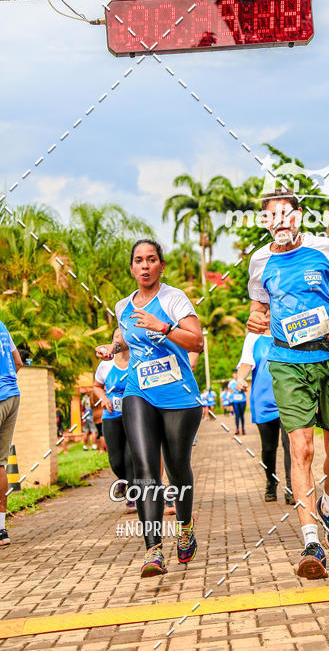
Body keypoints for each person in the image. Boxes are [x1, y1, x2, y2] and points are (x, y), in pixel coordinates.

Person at [247, 189, 329, 580]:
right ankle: (309, 541)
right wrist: (255, 319)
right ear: (266, 222)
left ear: (298, 217)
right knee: (300, 448)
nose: (281, 222)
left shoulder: (327, 250)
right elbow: (259, 306)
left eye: (288, 215)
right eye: (273, 217)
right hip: (287, 361)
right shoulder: (259, 261)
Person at [97, 239, 203, 577]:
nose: (145, 266)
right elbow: (126, 333)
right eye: (139, 261)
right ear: (132, 267)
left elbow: (197, 341)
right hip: (137, 390)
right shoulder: (123, 304)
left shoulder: (173, 299)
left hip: (178, 395)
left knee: (177, 468)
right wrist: (112, 347)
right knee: (144, 467)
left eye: (151, 260)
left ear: (161, 265)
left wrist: (164, 327)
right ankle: (153, 550)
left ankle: (184, 528)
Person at [236, 331, 293, 503]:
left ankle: (291, 487)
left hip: (288, 398)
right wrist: (240, 379)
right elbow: (246, 363)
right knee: (268, 448)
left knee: (290, 444)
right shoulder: (253, 337)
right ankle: (271, 481)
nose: (267, 313)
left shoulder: (286, 329)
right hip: (263, 400)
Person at [94, 328, 136, 511]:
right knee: (116, 461)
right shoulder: (106, 364)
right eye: (115, 337)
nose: (119, 339)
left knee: (130, 459)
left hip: (134, 416)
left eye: (122, 335)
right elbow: (97, 386)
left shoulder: (137, 359)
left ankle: (132, 496)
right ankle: (122, 480)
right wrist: (103, 399)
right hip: (111, 416)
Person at [0, 320, 22, 547]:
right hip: (12, 395)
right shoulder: (2, 326)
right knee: (0, 463)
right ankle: (1, 530)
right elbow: (18, 362)